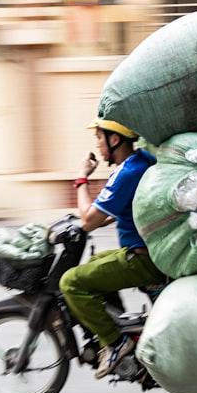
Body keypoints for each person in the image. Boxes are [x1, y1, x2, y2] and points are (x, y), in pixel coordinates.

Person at [60, 118, 164, 379]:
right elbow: (111, 213)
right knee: (93, 264)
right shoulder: (142, 161)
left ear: (114, 139)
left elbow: (88, 220)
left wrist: (82, 177)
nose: (98, 145)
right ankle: (121, 326)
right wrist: (97, 216)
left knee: (71, 282)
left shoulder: (127, 172)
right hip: (144, 252)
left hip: (141, 259)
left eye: (99, 138)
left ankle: (115, 343)